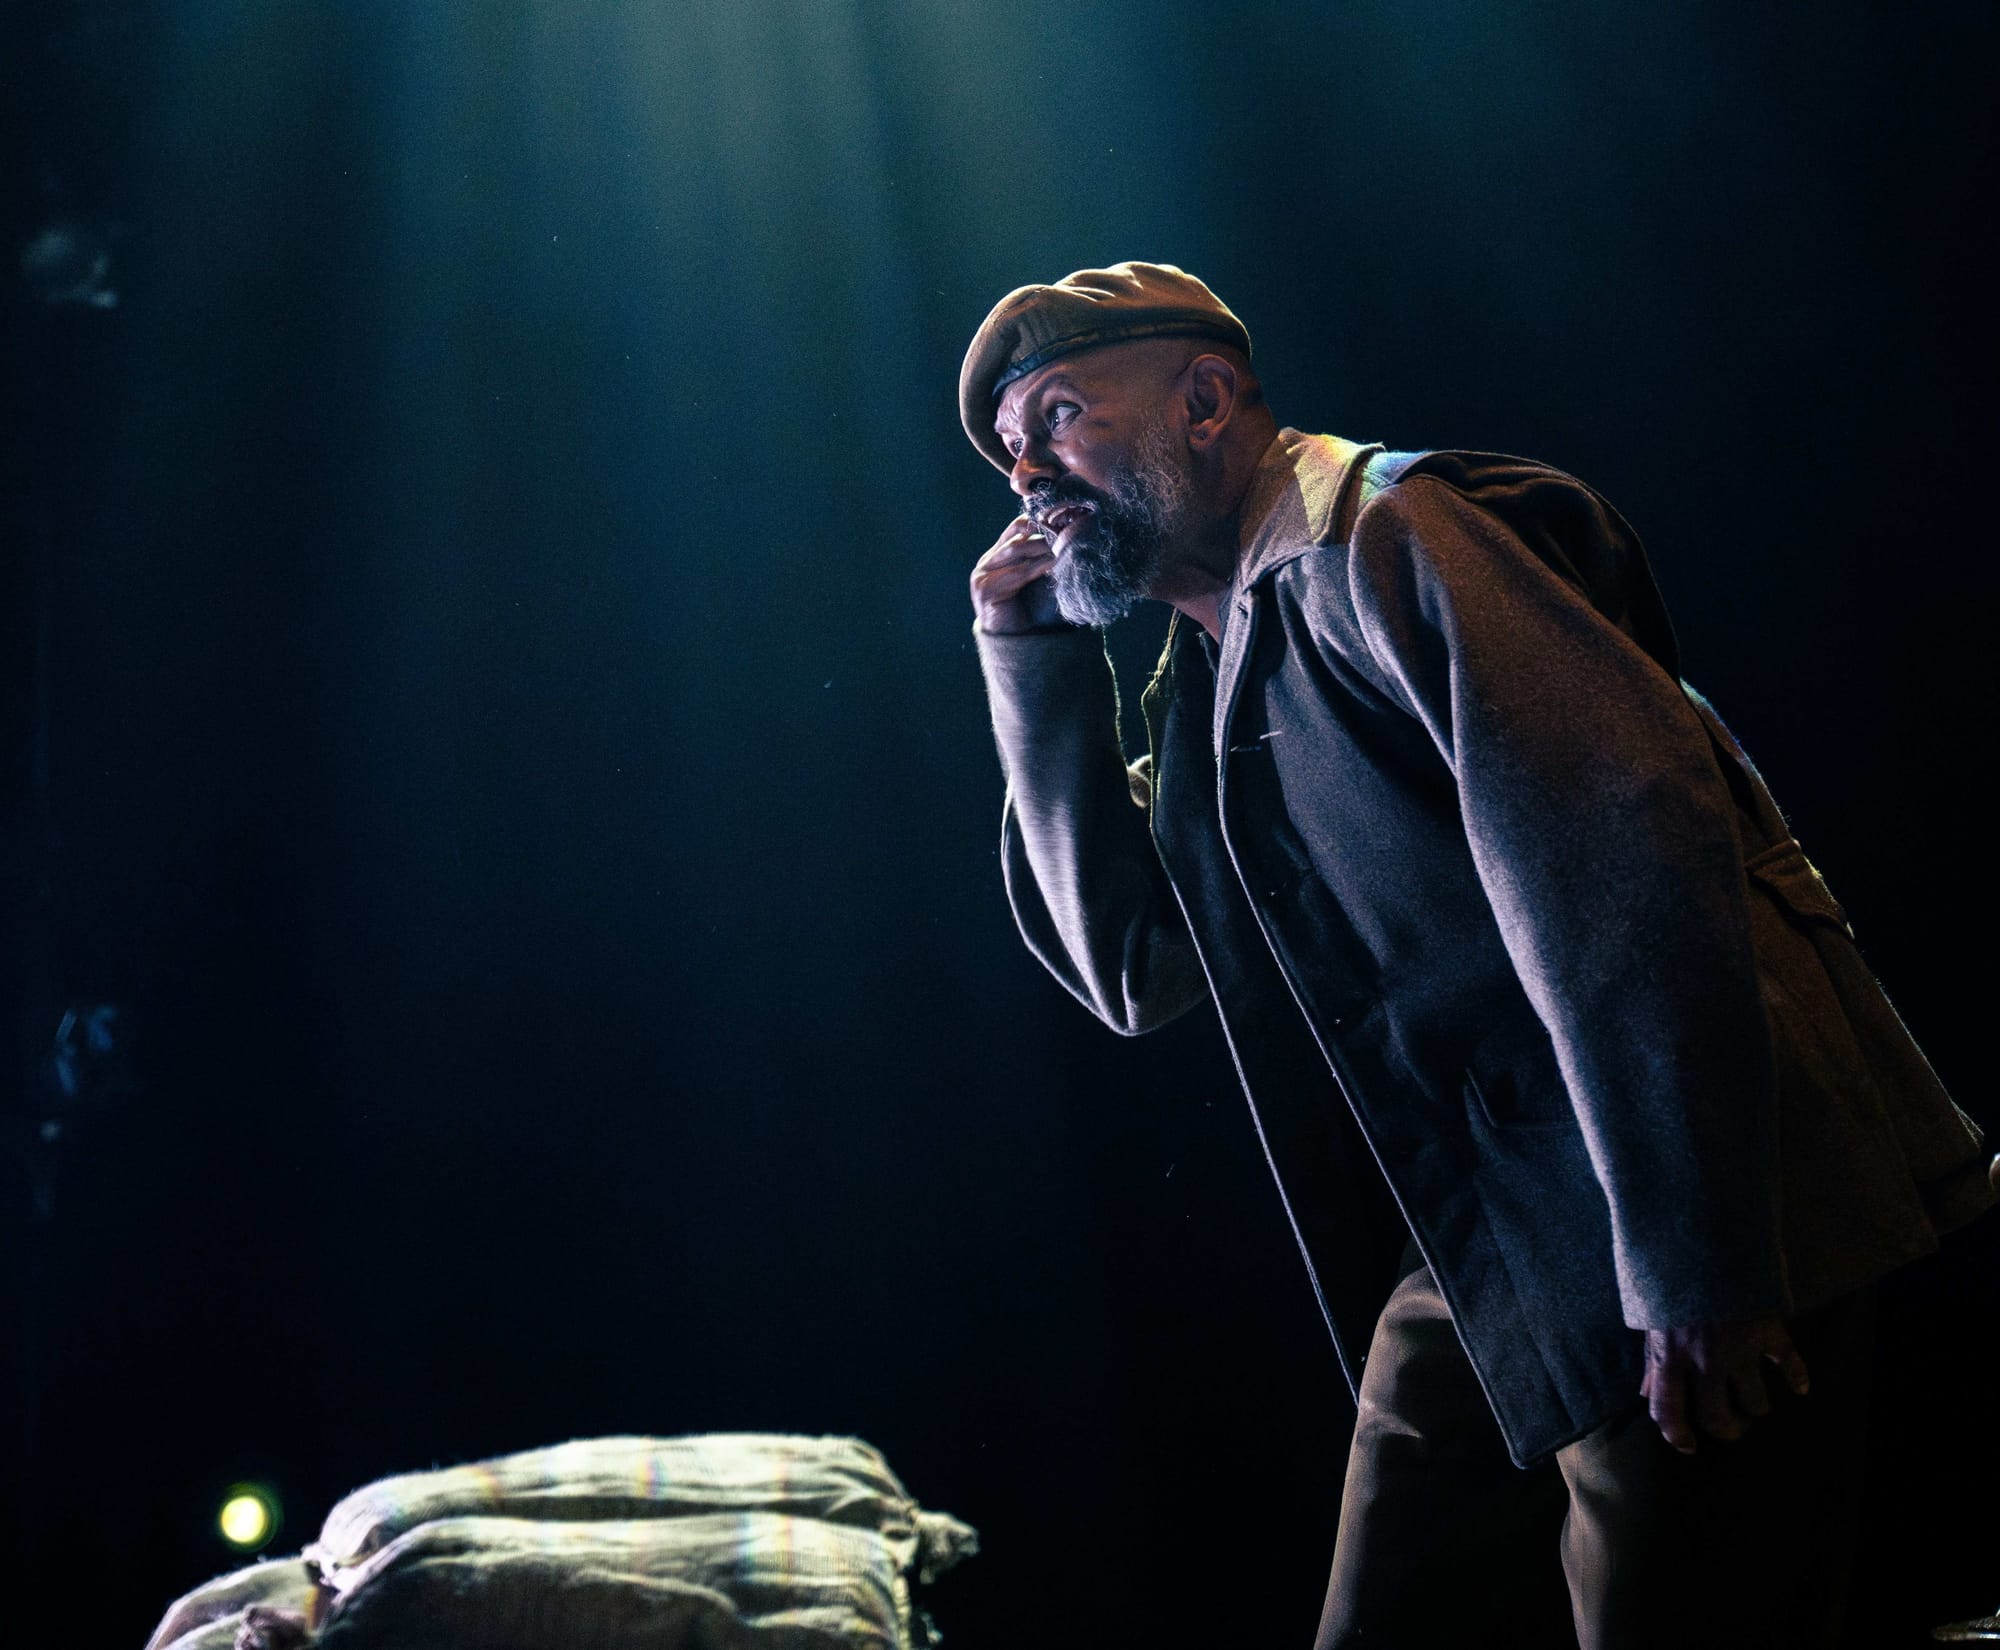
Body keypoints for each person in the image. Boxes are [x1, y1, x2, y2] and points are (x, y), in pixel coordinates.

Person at [959, 261, 1994, 1648]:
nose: (1028, 471)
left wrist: (1696, 1262)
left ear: (1205, 402)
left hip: (1676, 1185)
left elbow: (1627, 871)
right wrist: (1024, 658)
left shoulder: (1395, 537)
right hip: (1491, 1238)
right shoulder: (1209, 672)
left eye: (1060, 415)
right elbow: (1133, 968)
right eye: (1011, 447)